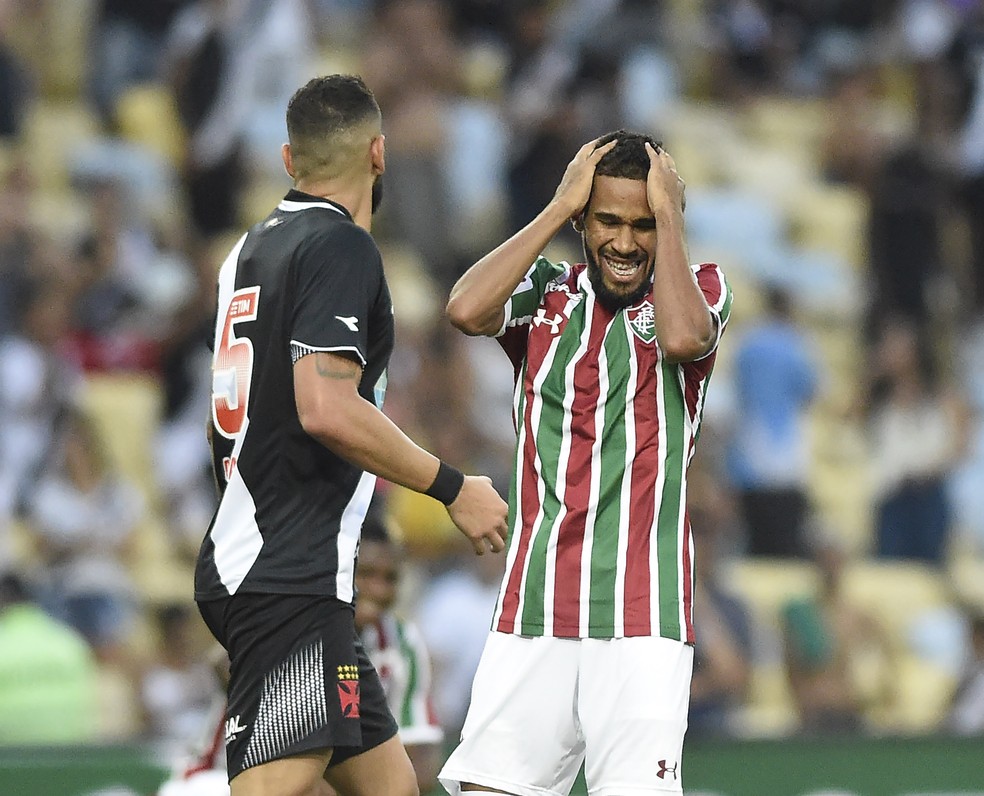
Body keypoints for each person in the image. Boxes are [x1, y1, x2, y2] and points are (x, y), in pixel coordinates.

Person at [193, 74, 508, 796]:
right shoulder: (340, 248)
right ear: (378, 152)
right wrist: (451, 486)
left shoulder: (246, 253)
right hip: (286, 570)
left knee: (392, 788)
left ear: (287, 159)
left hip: (274, 559)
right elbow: (326, 406)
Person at [440, 130, 733, 795]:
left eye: (643, 224)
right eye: (607, 220)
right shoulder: (544, 291)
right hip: (534, 604)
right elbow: (463, 309)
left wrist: (673, 219)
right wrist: (552, 208)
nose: (626, 242)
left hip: (643, 618)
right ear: (581, 219)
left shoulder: (701, 288)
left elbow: (686, 338)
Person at [163, 514, 444, 796]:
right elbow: (222, 664)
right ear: (344, 569)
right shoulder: (297, 616)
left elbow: (419, 761)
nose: (378, 589)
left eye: (390, 578)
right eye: (366, 574)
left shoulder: (401, 642)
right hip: (215, 779)